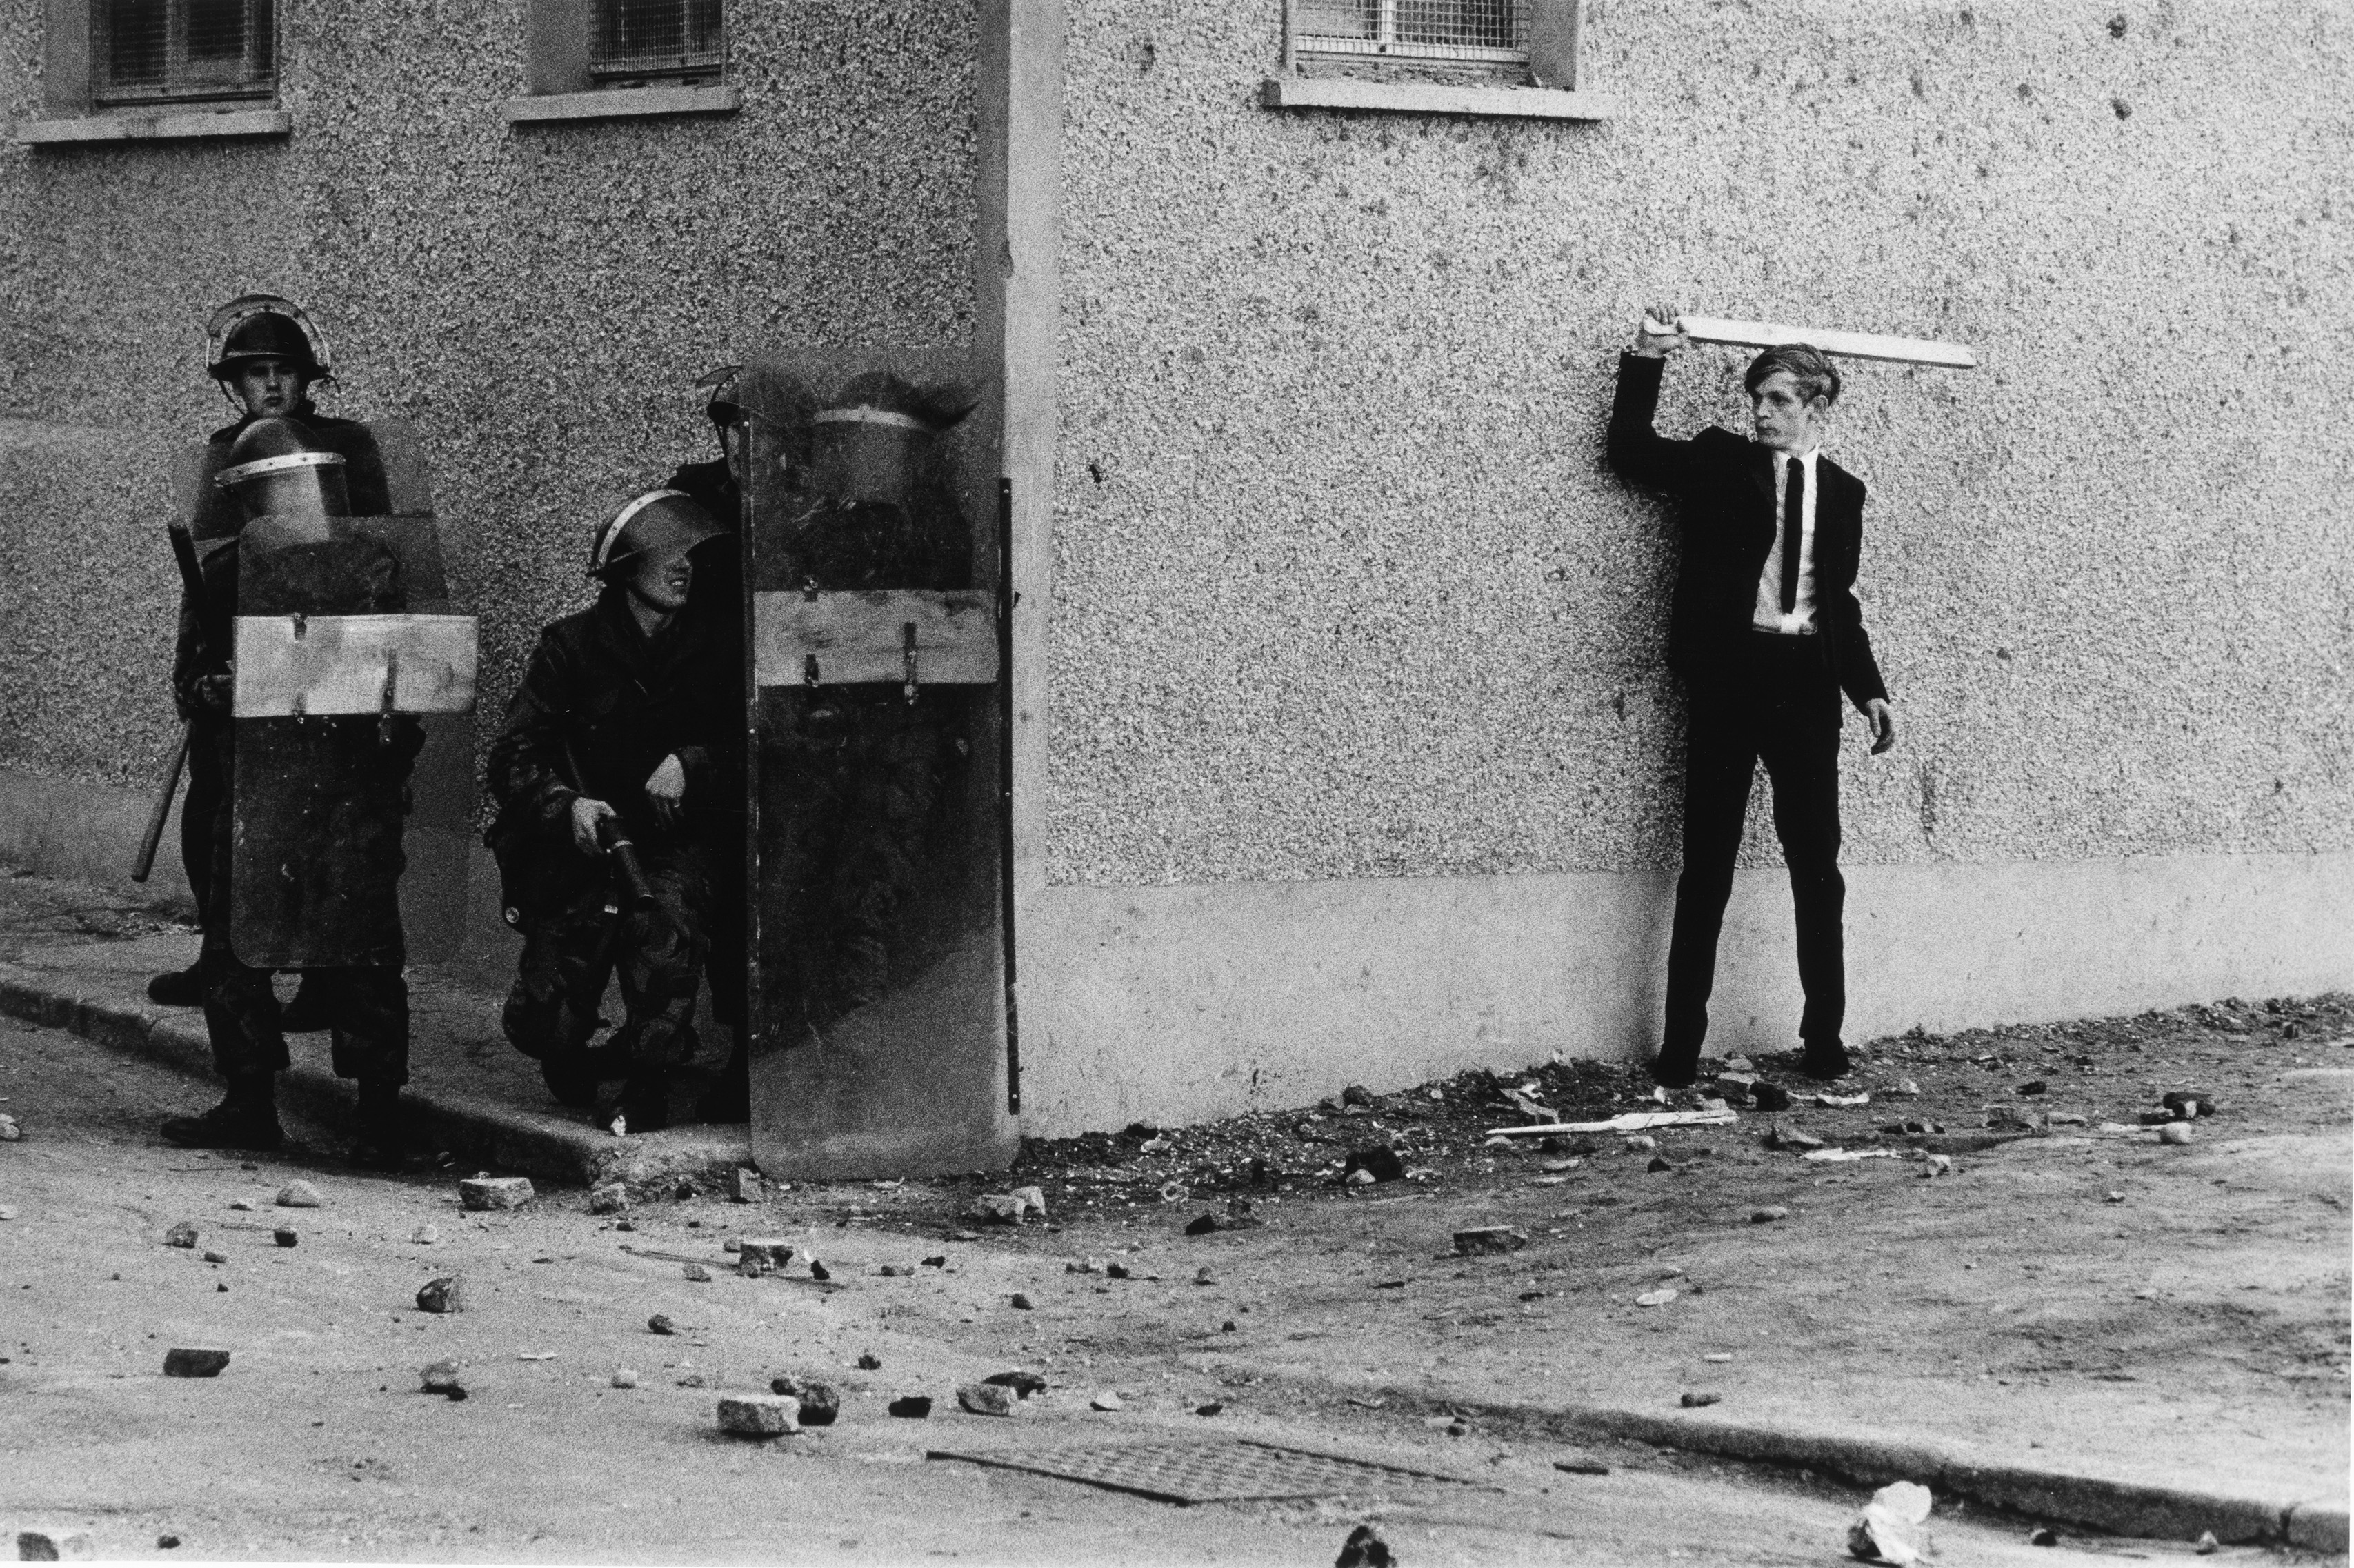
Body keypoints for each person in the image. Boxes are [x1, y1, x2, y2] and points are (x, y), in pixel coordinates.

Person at [1606, 310, 1899, 1089]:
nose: (1760, 413)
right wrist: (1645, 358)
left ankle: (1824, 1041)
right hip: (1730, 680)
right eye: (1755, 399)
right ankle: (1678, 1053)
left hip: (1805, 686)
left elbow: (1837, 598)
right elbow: (1628, 450)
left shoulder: (1844, 493)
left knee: (1817, 866)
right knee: (1707, 863)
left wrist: (1865, 689)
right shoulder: (1716, 461)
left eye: (1776, 399)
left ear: (1816, 406)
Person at [159, 416, 423, 1167]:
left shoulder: (371, 570)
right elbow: (191, 684)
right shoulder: (219, 580)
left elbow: (407, 676)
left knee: (364, 952)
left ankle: (377, 1110)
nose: (294, 503)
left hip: (349, 790)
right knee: (235, 950)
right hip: (258, 788)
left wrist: (384, 746)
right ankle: (249, 1100)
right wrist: (222, 687)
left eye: (305, 488)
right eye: (276, 492)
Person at [150, 294, 389, 1023]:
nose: (272, 385)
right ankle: (222, 956)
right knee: (214, 814)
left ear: (307, 377)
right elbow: (210, 565)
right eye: (255, 373)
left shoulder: (347, 442)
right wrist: (195, 667)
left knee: (322, 820)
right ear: (234, 384)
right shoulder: (226, 454)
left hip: (328, 642)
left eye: (285, 369)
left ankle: (323, 977)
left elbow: (381, 545)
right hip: (241, 650)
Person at [488, 490, 741, 1134]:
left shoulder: (717, 648)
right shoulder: (571, 647)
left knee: (664, 948)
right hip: (584, 845)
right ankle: (576, 1051)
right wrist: (566, 806)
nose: (683, 567)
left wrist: (693, 761)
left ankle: (645, 1077)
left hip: (670, 847)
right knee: (540, 1024)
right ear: (627, 567)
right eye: (666, 554)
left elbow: (754, 742)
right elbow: (514, 755)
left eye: (689, 555)